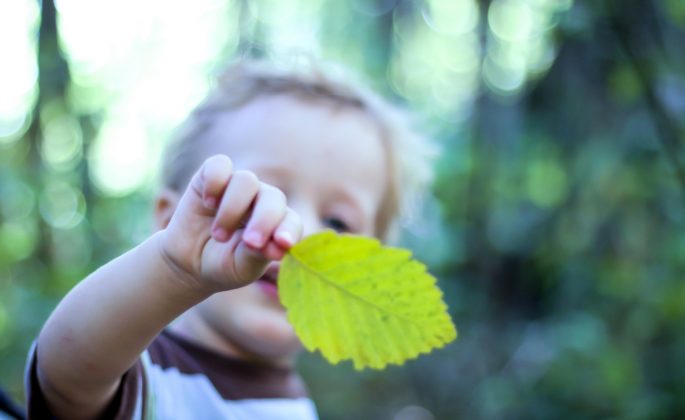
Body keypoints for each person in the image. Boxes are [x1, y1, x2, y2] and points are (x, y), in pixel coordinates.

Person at [24, 60, 434, 419]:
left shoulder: (295, 407)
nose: (301, 232)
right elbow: (65, 371)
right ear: (171, 220)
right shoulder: (143, 371)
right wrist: (173, 267)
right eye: (261, 194)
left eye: (339, 222)